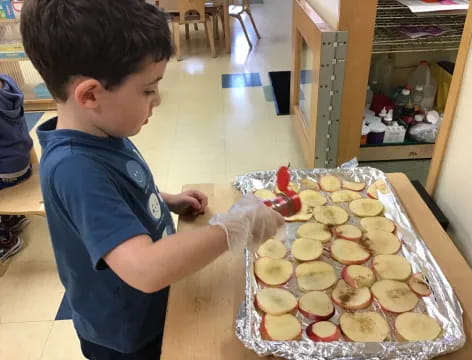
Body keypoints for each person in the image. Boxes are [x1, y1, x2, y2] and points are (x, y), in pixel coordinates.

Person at [20, 1, 284, 359]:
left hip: (153, 307)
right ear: (91, 95)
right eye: (148, 90)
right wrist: (232, 228)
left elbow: (115, 196)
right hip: (127, 335)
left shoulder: (98, 132)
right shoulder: (75, 169)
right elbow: (145, 269)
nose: (157, 100)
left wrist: (165, 199)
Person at [0, 74, 33, 261]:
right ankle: (11, 217)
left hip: (5, 173)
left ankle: (5, 241)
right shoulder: (7, 81)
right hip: (22, 164)